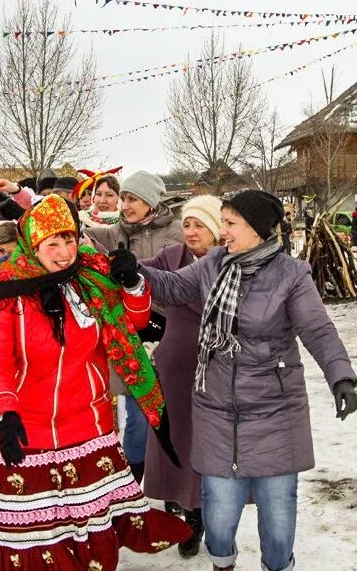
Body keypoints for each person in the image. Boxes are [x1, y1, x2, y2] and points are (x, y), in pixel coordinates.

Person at [130, 189, 357, 571]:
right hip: (216, 410)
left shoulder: (292, 275)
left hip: (275, 411)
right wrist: (134, 272)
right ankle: (223, 565)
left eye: (231, 224)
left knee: (278, 521)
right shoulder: (214, 264)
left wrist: (341, 377)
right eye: (223, 223)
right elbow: (172, 286)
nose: (223, 232)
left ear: (257, 229)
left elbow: (318, 330)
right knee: (218, 522)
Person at [0, 194, 190, 570]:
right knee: (39, 541)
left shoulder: (88, 280)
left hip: (90, 429)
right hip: (30, 433)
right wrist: (4, 413)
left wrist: (132, 283)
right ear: (32, 245)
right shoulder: (8, 293)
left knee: (93, 533)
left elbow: (134, 325)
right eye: (52, 244)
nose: (63, 252)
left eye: (69, 240)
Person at [84, 171, 184, 481]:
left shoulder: (175, 234)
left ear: (150, 202)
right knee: (139, 415)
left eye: (132, 199)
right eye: (124, 198)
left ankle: (173, 481)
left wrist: (137, 275)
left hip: (167, 330)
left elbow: (179, 284)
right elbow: (87, 234)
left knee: (169, 411)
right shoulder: (118, 232)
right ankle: (132, 484)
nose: (125, 205)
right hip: (131, 334)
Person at [139, 194, 222, 558]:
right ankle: (174, 503)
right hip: (174, 362)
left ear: (217, 228)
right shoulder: (172, 257)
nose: (190, 231)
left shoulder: (230, 264)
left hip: (215, 364)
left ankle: (199, 512)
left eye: (199, 224)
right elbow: (140, 271)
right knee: (171, 434)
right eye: (186, 223)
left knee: (204, 441)